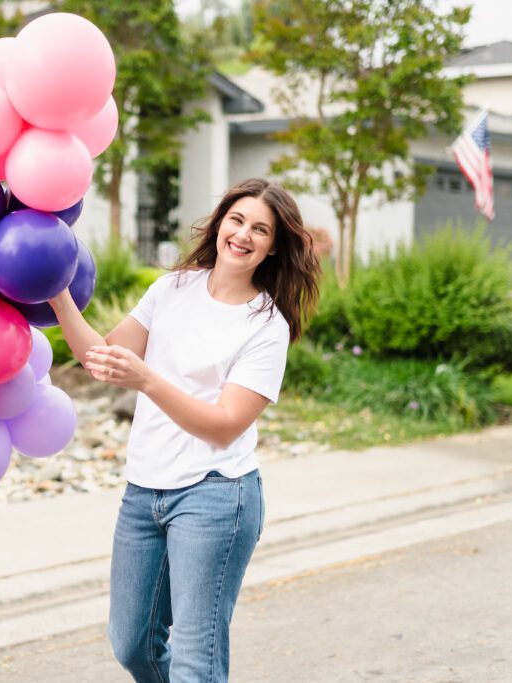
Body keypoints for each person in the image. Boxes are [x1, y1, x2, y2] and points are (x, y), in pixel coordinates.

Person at [48, 178, 321, 682]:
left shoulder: (266, 327)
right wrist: (58, 294)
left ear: (273, 246)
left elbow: (223, 426)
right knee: (132, 643)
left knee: (197, 661)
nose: (244, 235)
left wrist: (148, 380)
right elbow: (100, 359)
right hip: (144, 490)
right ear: (220, 225)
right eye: (237, 221)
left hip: (216, 496)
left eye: (260, 230)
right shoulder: (173, 287)